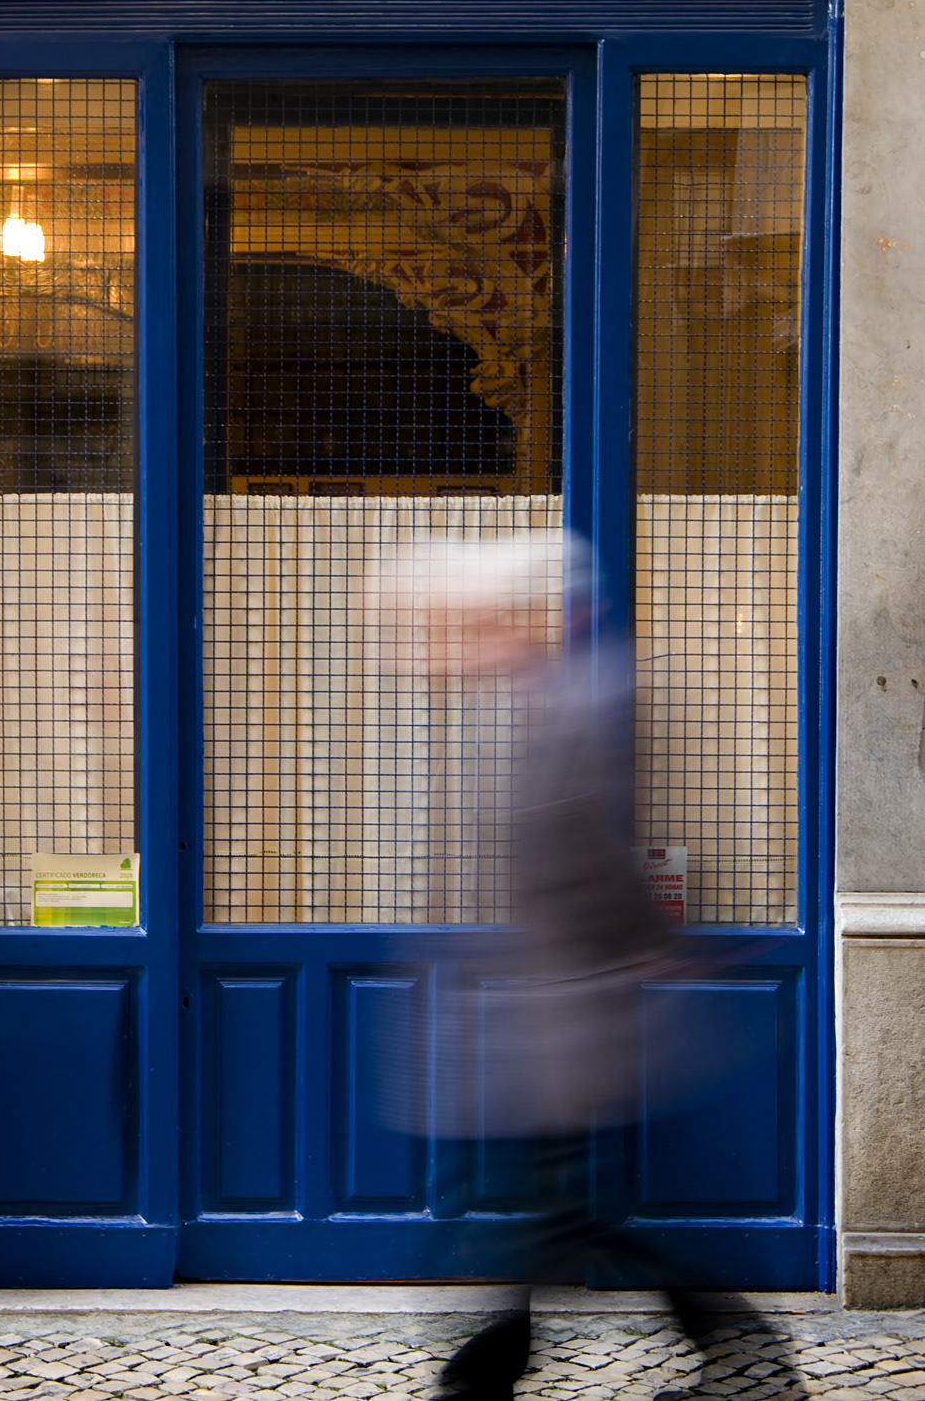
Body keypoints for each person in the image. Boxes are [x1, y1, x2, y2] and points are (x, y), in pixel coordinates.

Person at [366, 532, 807, 1401]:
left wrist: (660, 947)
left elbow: (595, 855)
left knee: (554, 1216)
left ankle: (492, 1379)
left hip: (576, 1016)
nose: (443, 649)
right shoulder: (529, 702)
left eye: (460, 626)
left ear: (523, 618)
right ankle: (743, 1366)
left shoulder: (580, 697)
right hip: (550, 1016)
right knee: (566, 1216)